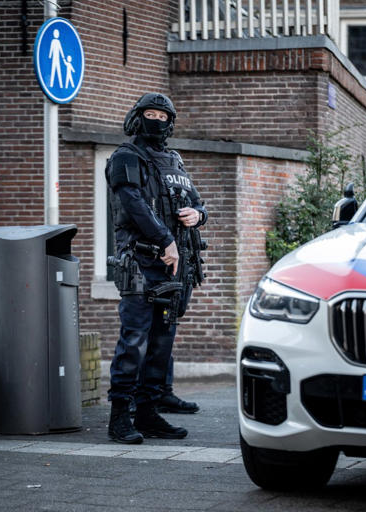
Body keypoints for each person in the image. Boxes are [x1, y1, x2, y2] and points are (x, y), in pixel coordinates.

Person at [105, 93, 208, 444]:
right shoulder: (125, 157)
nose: (156, 120)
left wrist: (199, 216)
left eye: (162, 115)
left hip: (175, 267)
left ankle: (149, 413)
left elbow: (196, 201)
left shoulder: (175, 161)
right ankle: (120, 416)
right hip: (141, 262)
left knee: (162, 341)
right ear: (137, 118)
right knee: (134, 340)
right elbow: (133, 205)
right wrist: (166, 239)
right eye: (149, 114)